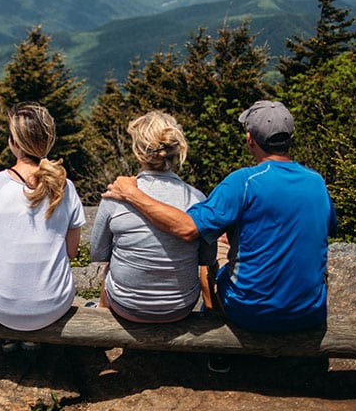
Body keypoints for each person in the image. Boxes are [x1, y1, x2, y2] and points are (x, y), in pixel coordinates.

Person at [102, 100, 337, 335]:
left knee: (211, 255)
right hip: (309, 312)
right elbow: (321, 227)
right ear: (290, 137)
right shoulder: (316, 181)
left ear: (250, 139)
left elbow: (188, 229)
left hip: (251, 311)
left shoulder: (243, 181)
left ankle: (215, 339)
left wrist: (133, 194)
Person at [0, 102, 85, 351]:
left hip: (0, 306)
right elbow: (71, 251)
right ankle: (34, 342)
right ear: (48, 142)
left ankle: (11, 339)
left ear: (15, 143)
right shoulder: (66, 187)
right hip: (53, 305)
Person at [90, 111, 213, 323]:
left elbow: (98, 253)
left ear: (138, 152)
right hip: (181, 307)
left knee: (111, 266)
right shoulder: (197, 198)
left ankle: (102, 323)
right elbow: (206, 257)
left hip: (126, 307)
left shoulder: (116, 196)